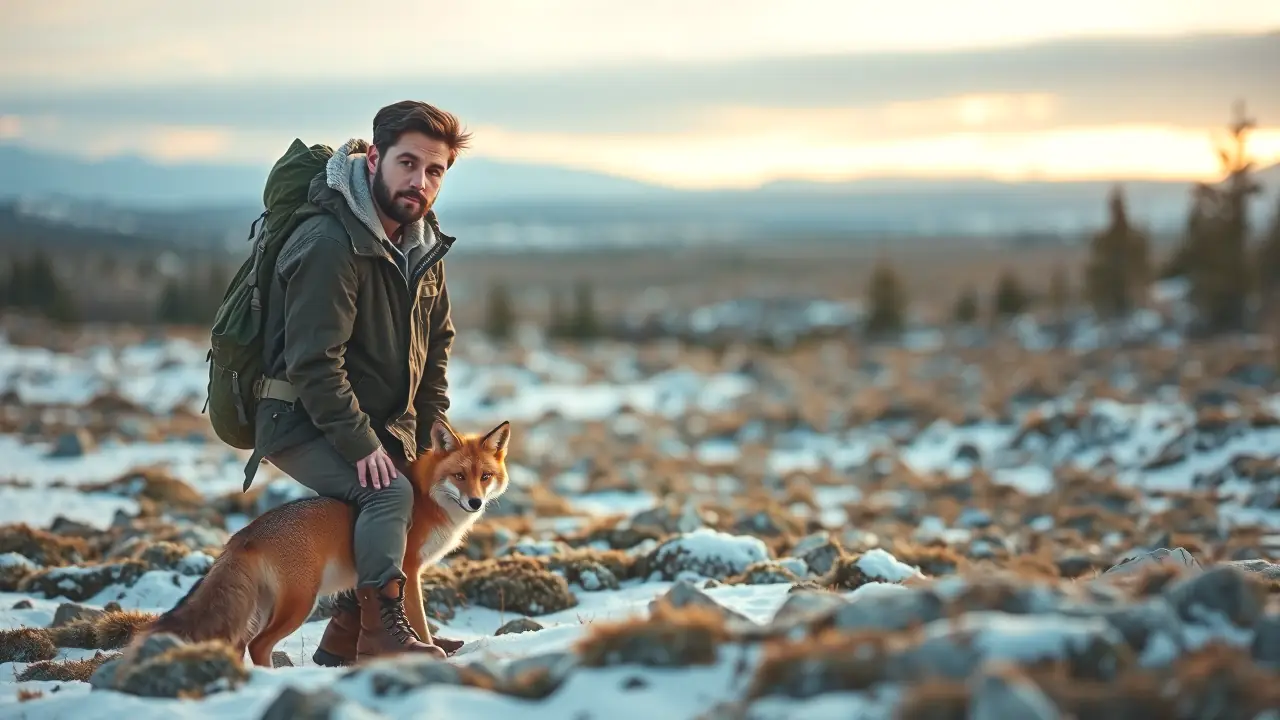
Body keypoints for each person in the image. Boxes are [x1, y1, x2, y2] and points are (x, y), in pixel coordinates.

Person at [251, 100, 470, 664]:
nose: (419, 182)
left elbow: (436, 347)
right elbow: (313, 365)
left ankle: (341, 638)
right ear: (374, 158)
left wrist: (424, 436)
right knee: (387, 492)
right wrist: (364, 447)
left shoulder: (423, 244)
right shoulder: (331, 243)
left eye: (435, 170)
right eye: (407, 163)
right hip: (298, 418)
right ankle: (382, 636)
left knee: (411, 486)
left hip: (371, 419)